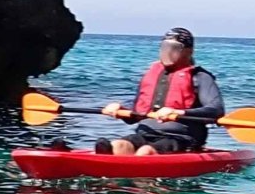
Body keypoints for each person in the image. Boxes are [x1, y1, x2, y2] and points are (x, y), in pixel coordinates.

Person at [95, 28, 224, 156]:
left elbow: (216, 110)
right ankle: (106, 169)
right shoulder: (152, 75)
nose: (168, 51)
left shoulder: (200, 77)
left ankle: (141, 173)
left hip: (181, 138)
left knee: (145, 151)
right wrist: (120, 109)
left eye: (175, 47)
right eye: (164, 46)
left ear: (189, 51)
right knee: (118, 145)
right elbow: (136, 114)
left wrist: (178, 112)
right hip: (145, 134)